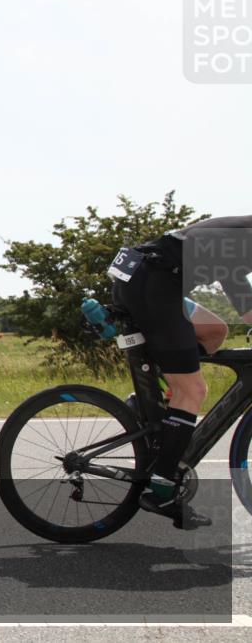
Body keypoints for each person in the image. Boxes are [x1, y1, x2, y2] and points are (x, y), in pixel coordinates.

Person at [110, 215, 252, 528]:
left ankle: (153, 402)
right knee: (194, 390)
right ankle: (162, 489)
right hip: (154, 283)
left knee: (214, 331)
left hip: (145, 275)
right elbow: (242, 297)